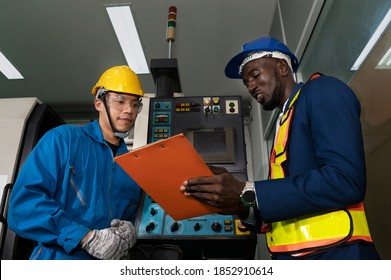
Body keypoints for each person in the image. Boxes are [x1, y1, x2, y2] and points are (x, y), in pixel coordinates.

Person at [180, 37, 380, 260]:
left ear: (282, 67)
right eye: (246, 83)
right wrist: (237, 204)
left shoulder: (323, 90)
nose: (251, 86)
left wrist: (246, 189)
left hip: (339, 255)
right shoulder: (284, 123)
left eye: (255, 75)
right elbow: (283, 207)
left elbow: (345, 180)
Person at [7, 65, 144, 260]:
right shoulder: (63, 140)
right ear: (99, 103)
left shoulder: (132, 168)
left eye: (134, 104)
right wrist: (85, 237)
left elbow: (132, 217)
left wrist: (132, 230)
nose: (128, 110)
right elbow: (24, 205)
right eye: (120, 101)